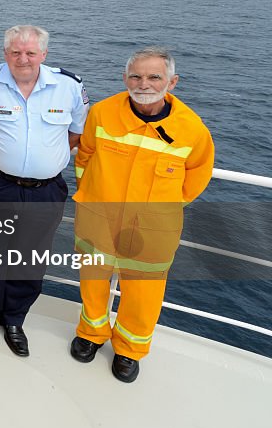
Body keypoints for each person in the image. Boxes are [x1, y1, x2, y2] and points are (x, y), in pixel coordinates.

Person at [69, 47, 214, 383]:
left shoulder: (192, 130)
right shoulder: (103, 113)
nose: (143, 83)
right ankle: (91, 334)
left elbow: (196, 176)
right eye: (136, 76)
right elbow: (85, 155)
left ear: (172, 82)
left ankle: (129, 351)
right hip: (98, 216)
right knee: (93, 281)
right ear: (125, 79)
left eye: (154, 77)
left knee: (144, 292)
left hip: (153, 227)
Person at [0, 25, 88, 356]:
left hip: (45, 190)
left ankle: (15, 319)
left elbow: (75, 135)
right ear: (5, 53)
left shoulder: (69, 87)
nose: (23, 59)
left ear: (44, 55)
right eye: (16, 52)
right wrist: (4, 158)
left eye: (31, 53)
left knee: (31, 257)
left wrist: (42, 162)